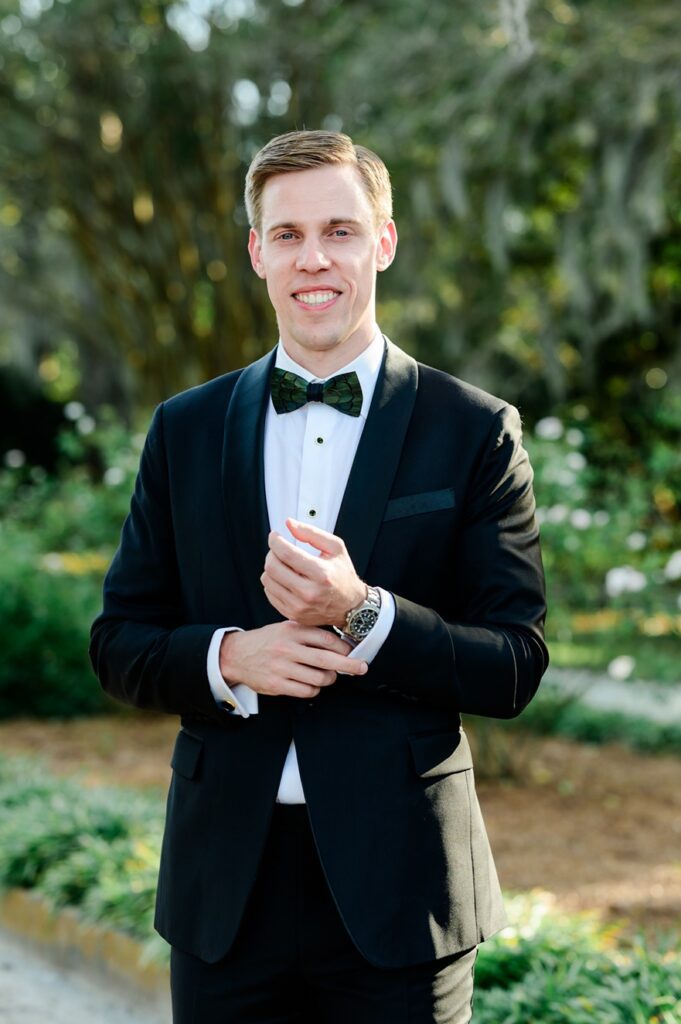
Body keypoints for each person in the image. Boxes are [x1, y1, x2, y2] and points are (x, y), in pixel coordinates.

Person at [90, 130, 548, 1024]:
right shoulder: (183, 430)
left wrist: (364, 613)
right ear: (256, 252)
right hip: (224, 891)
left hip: (403, 894)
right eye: (288, 234)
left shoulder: (474, 430)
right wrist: (231, 659)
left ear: (383, 242)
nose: (314, 259)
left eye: (339, 231)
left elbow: (513, 664)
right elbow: (118, 643)